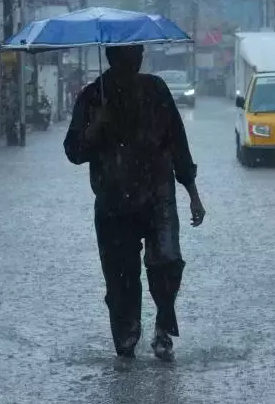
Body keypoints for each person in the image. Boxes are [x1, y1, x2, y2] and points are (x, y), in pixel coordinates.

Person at [63, 45, 206, 361]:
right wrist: (96, 127)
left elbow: (177, 142)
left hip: (158, 196)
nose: (137, 60)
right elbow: (73, 150)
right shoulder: (92, 97)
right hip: (114, 204)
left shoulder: (155, 90)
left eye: (139, 54)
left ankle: (163, 328)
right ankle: (126, 337)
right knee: (120, 281)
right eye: (130, 56)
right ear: (114, 58)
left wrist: (193, 193)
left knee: (168, 261)